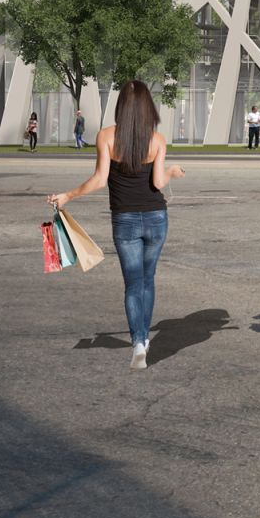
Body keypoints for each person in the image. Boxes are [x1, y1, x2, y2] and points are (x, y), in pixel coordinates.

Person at [47, 79, 185, 371]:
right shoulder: (157, 140)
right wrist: (172, 171)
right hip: (156, 218)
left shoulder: (106, 137)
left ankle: (138, 342)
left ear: (121, 106)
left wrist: (68, 195)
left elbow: (99, 179)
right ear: (148, 108)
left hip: (124, 220)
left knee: (133, 283)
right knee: (149, 279)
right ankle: (144, 339)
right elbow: (159, 182)